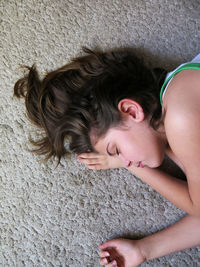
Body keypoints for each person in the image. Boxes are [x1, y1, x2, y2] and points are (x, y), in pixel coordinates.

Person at [14, 48, 200, 267]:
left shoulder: (181, 118)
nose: (126, 159)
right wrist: (144, 249)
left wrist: (135, 167)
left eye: (116, 149)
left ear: (131, 110)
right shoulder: (176, 98)